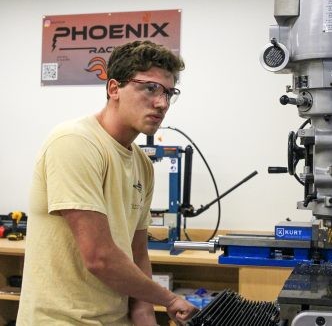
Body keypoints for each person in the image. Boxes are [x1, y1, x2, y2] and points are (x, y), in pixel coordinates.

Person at [17, 40, 197, 325]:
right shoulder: (75, 142)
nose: (162, 103)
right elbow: (99, 257)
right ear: (114, 89)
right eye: (150, 88)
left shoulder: (142, 165)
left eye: (169, 93)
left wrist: (145, 314)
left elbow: (138, 255)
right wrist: (169, 299)